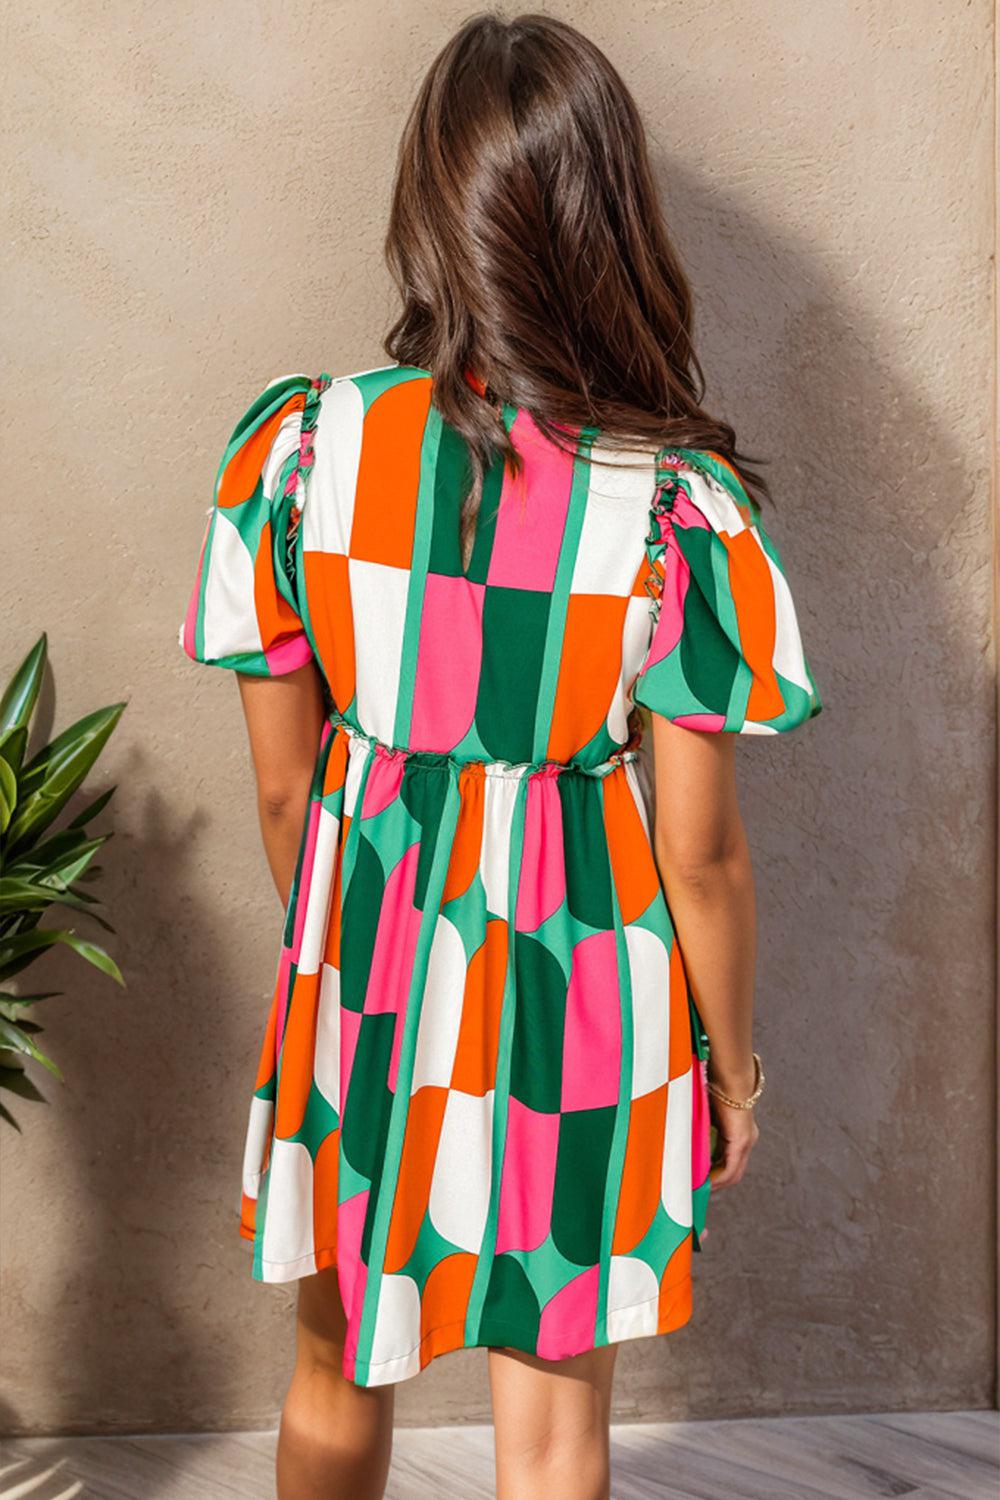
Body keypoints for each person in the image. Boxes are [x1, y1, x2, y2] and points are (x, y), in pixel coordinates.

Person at [178, 11, 823, 1499]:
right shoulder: (673, 507)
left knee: (335, 1361)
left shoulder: (299, 452)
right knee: (551, 1428)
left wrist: (362, 956)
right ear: (614, 222)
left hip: (366, 976)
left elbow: (288, 789)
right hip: (585, 997)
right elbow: (704, 857)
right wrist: (730, 1072)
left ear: (430, 207)